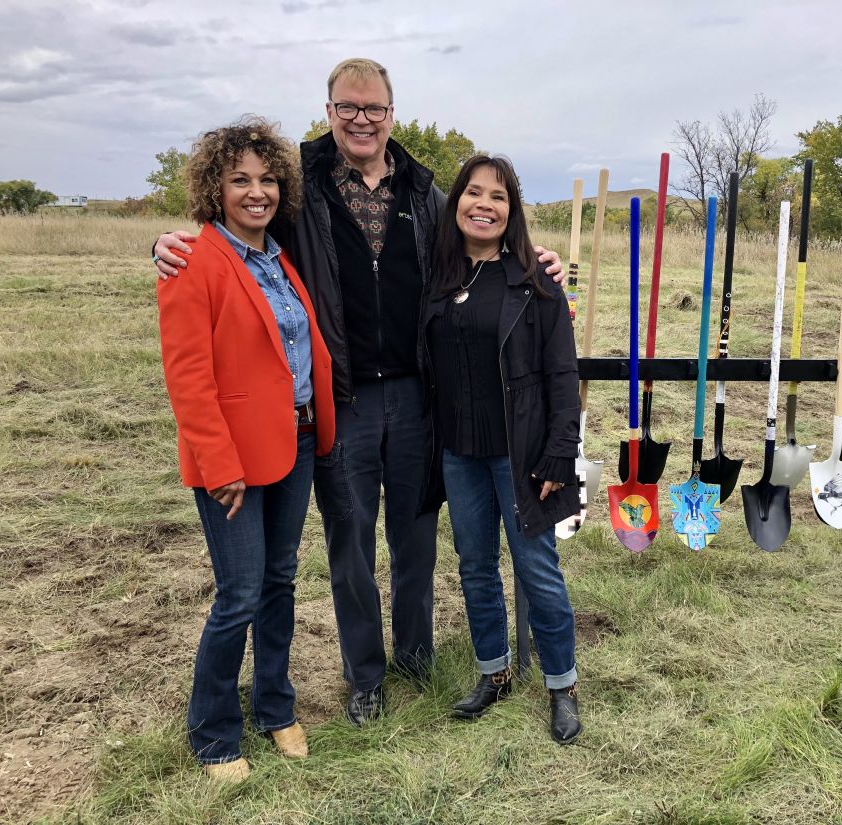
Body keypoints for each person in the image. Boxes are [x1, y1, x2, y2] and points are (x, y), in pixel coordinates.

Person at [153, 59, 563, 724]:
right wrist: (161, 244)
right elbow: (230, 230)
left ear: (392, 114)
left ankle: (416, 658)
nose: (362, 119)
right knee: (350, 541)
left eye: (374, 108)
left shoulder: (426, 195)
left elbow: (484, 244)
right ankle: (364, 673)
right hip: (340, 400)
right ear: (329, 111)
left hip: (416, 394)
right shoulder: (298, 189)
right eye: (349, 107)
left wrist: (538, 261)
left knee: (416, 536)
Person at [156, 117, 335, 782]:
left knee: (280, 581)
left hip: (296, 440)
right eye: (240, 180)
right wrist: (219, 465)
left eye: (266, 179)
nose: (255, 191)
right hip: (231, 460)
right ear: (215, 187)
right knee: (238, 593)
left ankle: (275, 705)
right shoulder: (191, 260)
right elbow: (188, 377)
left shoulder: (280, 257)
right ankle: (212, 731)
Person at [425, 155, 583, 744]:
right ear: (456, 202)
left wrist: (559, 454)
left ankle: (561, 686)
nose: (483, 204)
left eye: (497, 196)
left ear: (511, 210)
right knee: (474, 567)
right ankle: (494, 673)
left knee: (538, 570)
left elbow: (562, 376)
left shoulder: (536, 284)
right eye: (472, 192)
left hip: (520, 457)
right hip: (459, 455)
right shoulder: (438, 278)